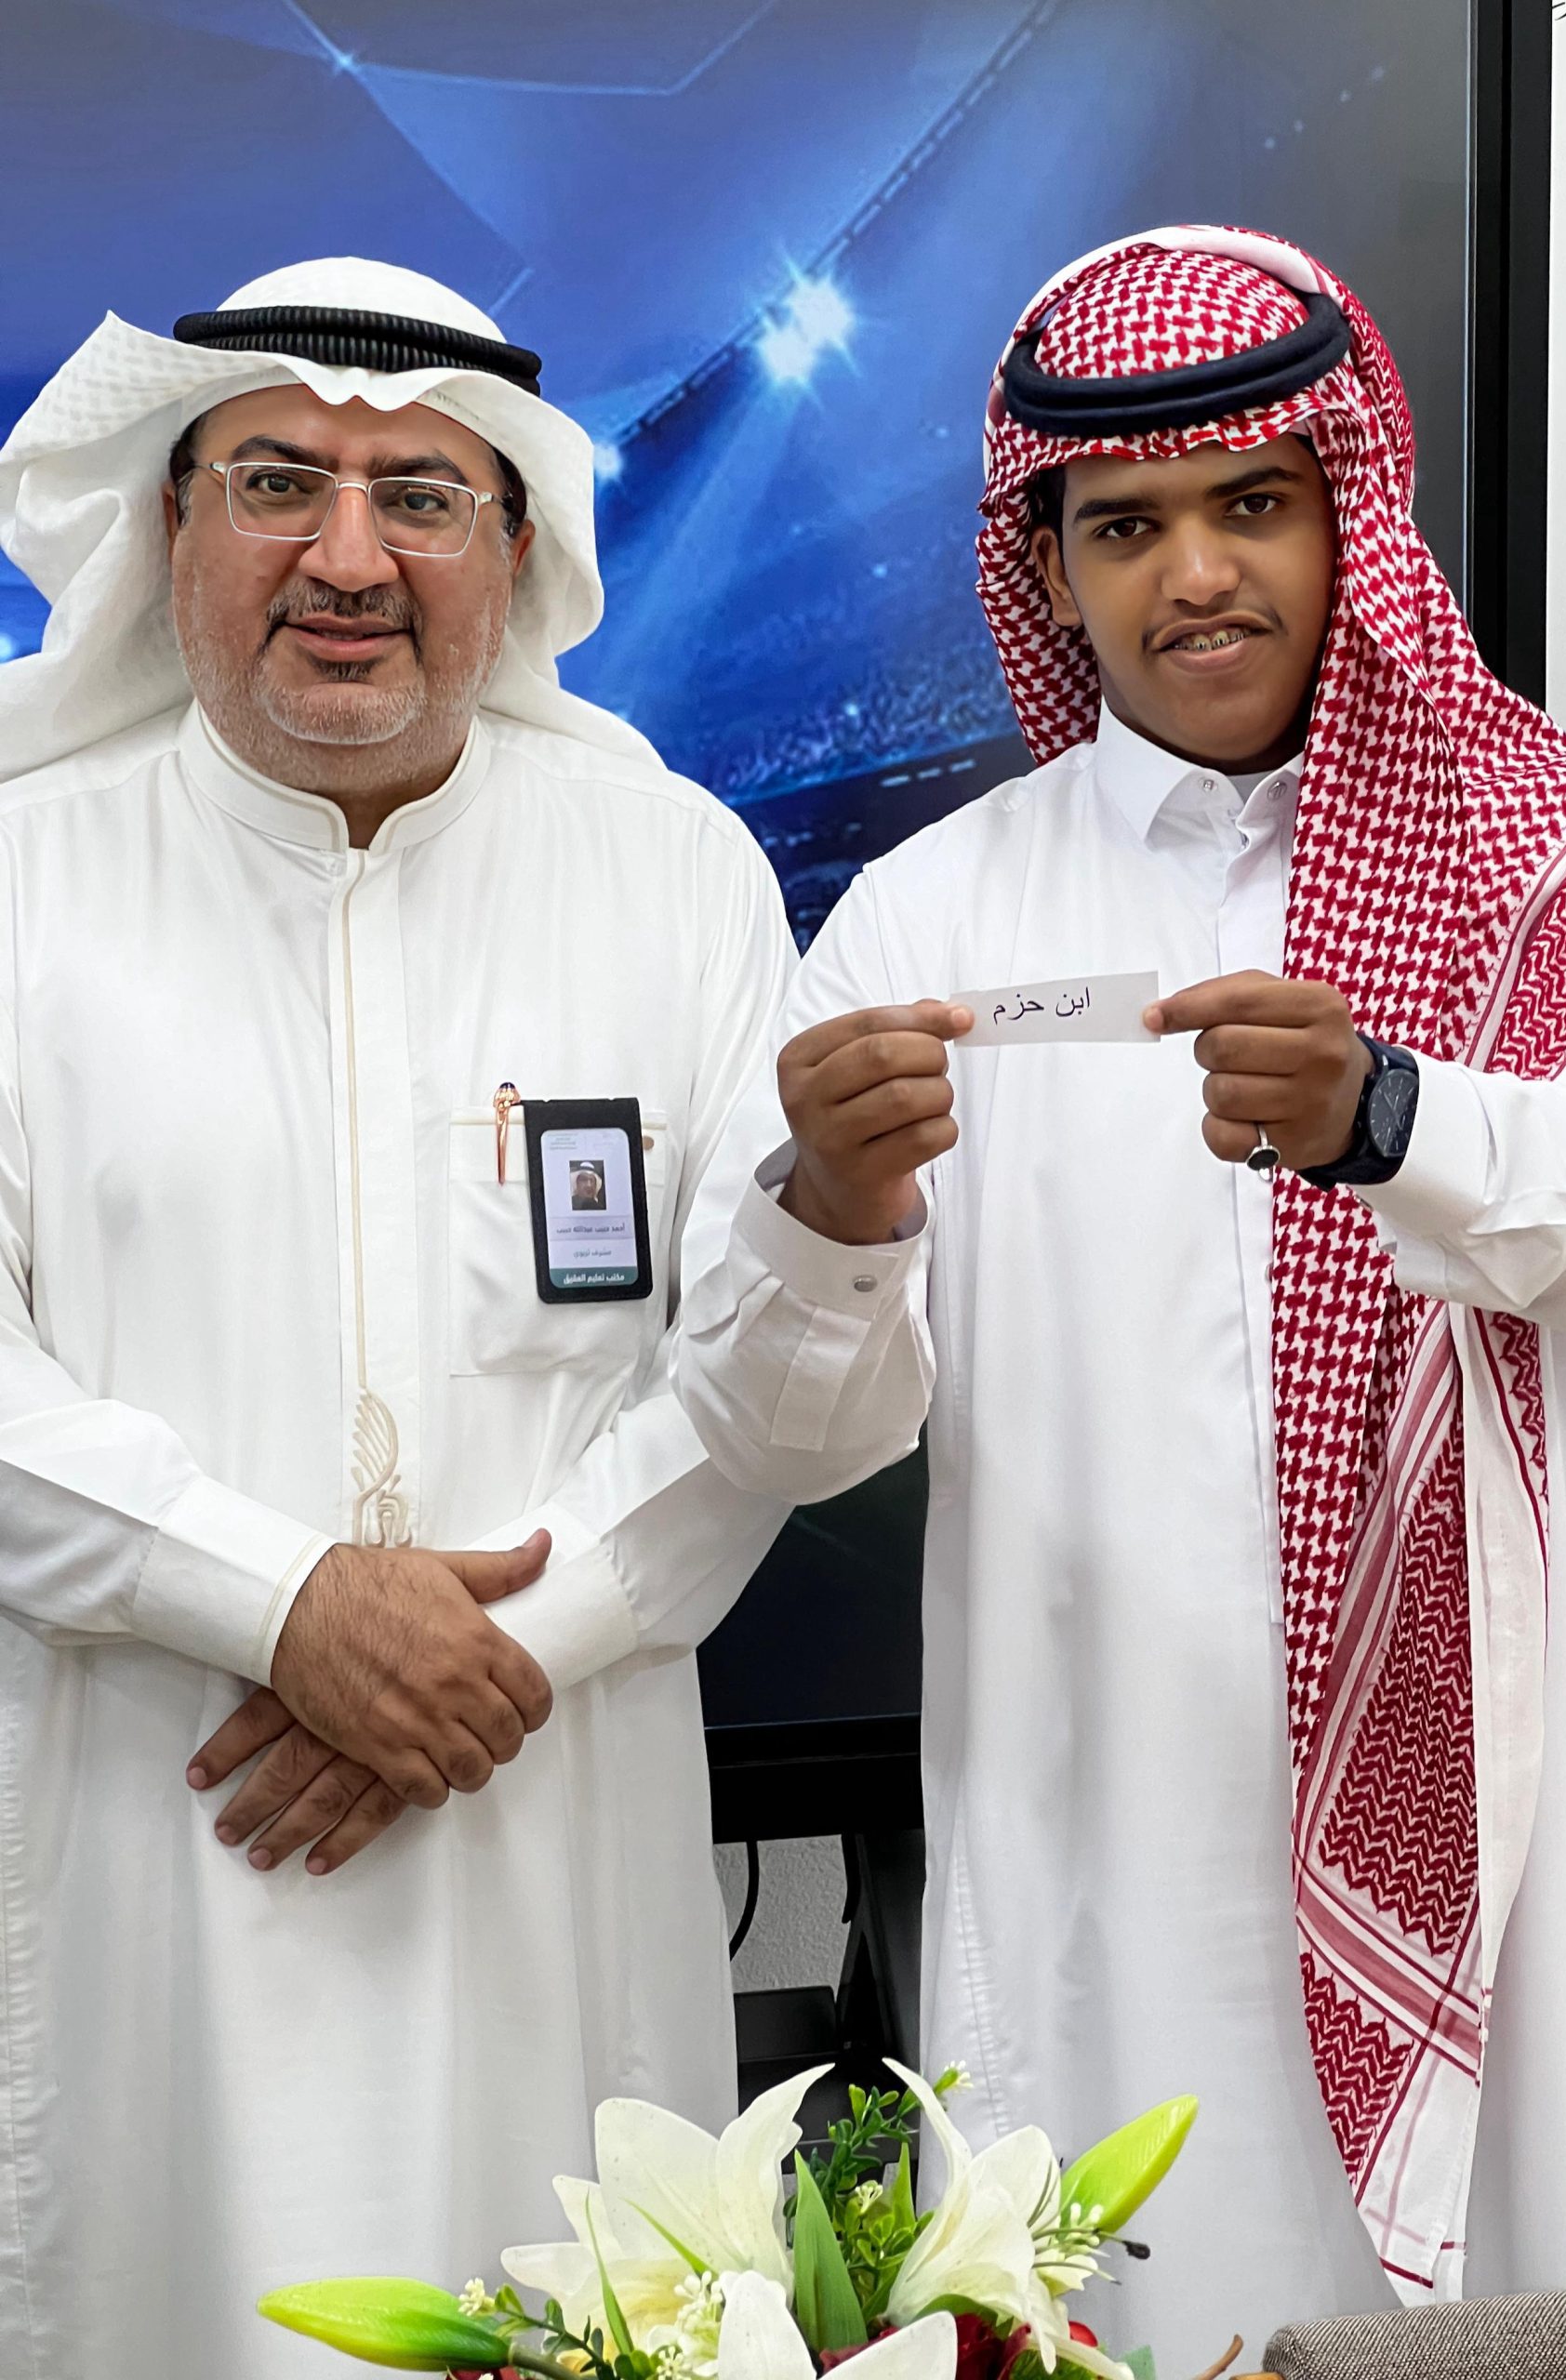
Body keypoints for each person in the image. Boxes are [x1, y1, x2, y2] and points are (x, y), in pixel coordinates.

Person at [676, 228, 1566, 2352]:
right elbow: (797, 1429)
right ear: (1050, 560)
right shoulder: (929, 915)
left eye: (1251, 503)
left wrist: (1399, 1113)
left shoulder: (1550, 847)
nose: (1195, 575)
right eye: (1126, 525)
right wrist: (829, 1205)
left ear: (1347, 503)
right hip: (1109, 1824)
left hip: (1506, 1834)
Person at [0, 258, 793, 2375]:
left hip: (552, 1856)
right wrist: (280, 1605)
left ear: (513, 549)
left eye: (420, 496)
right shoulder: (20, 875)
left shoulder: (680, 875)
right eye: (278, 481)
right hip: (148, 1872)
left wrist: (498, 1649)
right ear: (169, 524)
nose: (347, 558)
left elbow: (769, 1384)